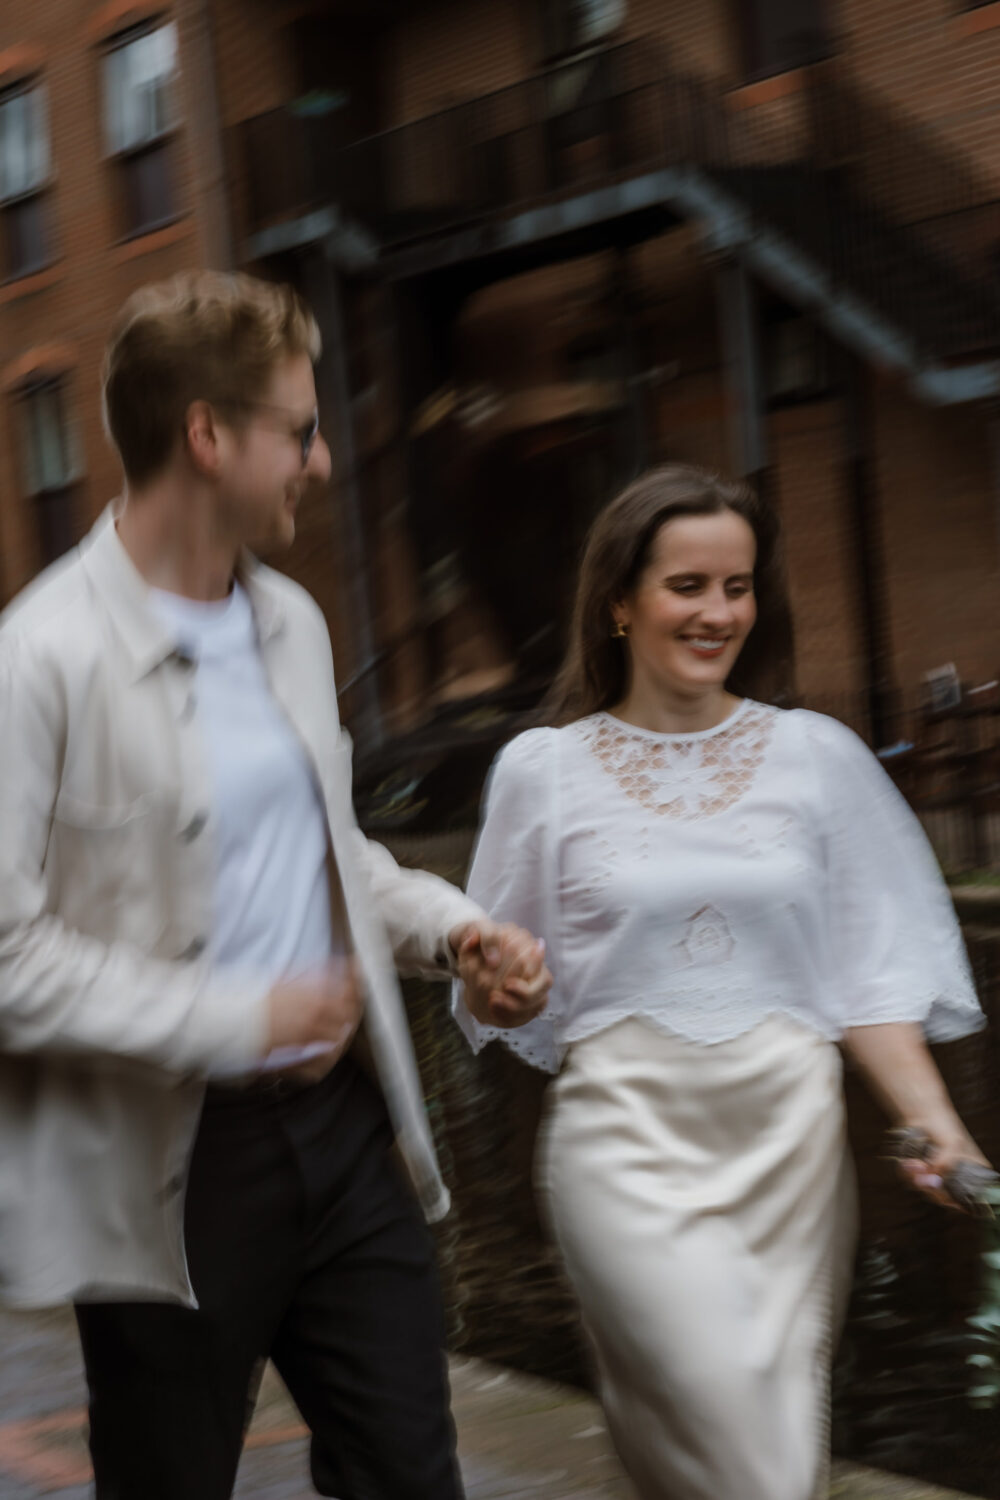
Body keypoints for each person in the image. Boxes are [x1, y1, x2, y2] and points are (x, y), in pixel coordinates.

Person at [0, 270, 551, 1500]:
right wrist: (240, 1018)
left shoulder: (293, 622)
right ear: (207, 434)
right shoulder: (37, 659)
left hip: (347, 1138)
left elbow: (329, 852)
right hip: (171, 1174)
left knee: (412, 1476)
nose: (321, 457)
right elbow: (7, 958)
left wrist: (452, 930)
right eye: (298, 429)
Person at [455, 463, 990, 1500]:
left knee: (761, 1454)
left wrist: (936, 1125)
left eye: (736, 588)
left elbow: (868, 978)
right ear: (619, 601)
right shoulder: (542, 770)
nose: (716, 613)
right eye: (686, 586)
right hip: (625, 1152)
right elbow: (493, 985)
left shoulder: (818, 758)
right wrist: (499, 984)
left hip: (788, 1157)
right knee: (746, 1462)